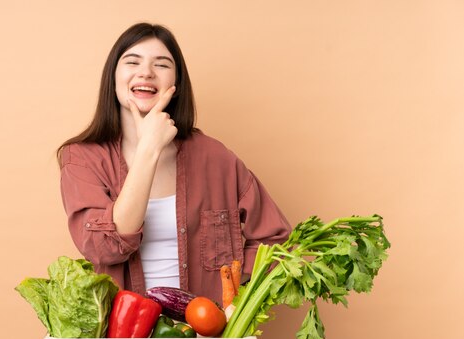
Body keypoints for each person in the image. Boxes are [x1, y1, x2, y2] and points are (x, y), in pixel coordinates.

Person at [57, 22, 291, 305]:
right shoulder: (82, 158)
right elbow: (105, 248)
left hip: (205, 337)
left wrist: (232, 300)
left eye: (162, 64)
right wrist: (149, 149)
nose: (146, 72)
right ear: (113, 78)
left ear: (176, 84)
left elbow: (276, 240)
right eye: (132, 61)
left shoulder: (215, 158)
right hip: (121, 338)